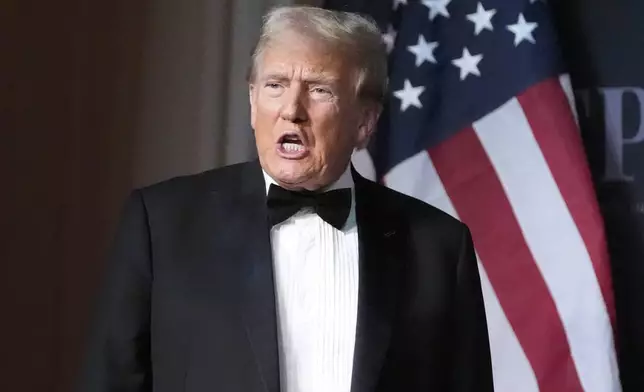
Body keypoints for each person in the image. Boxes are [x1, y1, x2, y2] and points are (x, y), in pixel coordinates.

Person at [77, 6, 493, 392]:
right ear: (252, 101)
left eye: (319, 90)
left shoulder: (437, 247)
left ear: (365, 123)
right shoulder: (162, 224)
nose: (292, 110)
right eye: (275, 85)